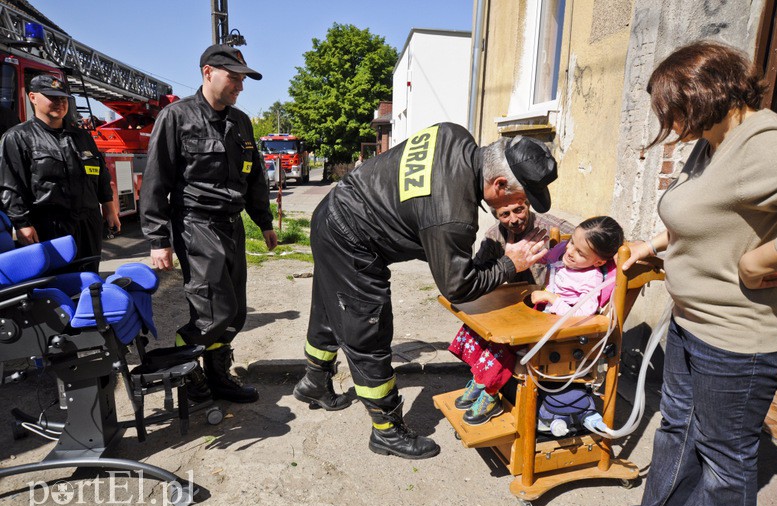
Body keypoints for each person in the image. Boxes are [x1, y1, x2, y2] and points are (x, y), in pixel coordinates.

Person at [592, 41, 777, 506]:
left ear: (702, 94)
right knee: (677, 430)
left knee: (725, 459)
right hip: (692, 325)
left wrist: (757, 262)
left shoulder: (768, 143)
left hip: (739, 339)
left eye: (670, 110)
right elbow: (704, 210)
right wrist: (657, 242)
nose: (669, 124)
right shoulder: (714, 141)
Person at [293, 124, 558, 459]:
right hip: (350, 238)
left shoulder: (455, 136)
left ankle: (314, 382)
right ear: (499, 184)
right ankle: (386, 430)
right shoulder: (452, 215)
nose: (519, 207)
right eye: (519, 198)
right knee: (367, 328)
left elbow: (420, 208)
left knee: (329, 308)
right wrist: (510, 263)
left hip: (333, 213)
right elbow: (457, 287)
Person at [139, 44, 278, 404]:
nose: (240, 87)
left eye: (242, 80)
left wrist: (264, 222)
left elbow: (255, 179)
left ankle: (218, 376)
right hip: (195, 225)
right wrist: (158, 238)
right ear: (208, 73)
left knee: (235, 312)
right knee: (212, 310)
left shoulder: (241, 122)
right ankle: (189, 375)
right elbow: (156, 180)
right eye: (234, 78)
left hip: (231, 226)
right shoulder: (176, 117)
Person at [450, 216, 623, 425]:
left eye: (580, 252)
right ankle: (480, 379)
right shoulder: (565, 255)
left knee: (504, 346)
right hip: (541, 320)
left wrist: (553, 299)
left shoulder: (591, 279)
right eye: (571, 244)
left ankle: (491, 391)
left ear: (599, 262)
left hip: (559, 335)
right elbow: (546, 257)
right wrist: (528, 253)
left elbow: (586, 312)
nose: (570, 251)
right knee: (480, 328)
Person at [0, 74, 121, 267]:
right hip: (50, 226)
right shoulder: (17, 137)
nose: (59, 103)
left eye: (63, 98)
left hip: (88, 222)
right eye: (52, 97)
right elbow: (11, 187)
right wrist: (22, 225)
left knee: (90, 281)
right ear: (33, 97)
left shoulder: (82, 136)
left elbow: (100, 175)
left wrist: (109, 209)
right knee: (58, 284)